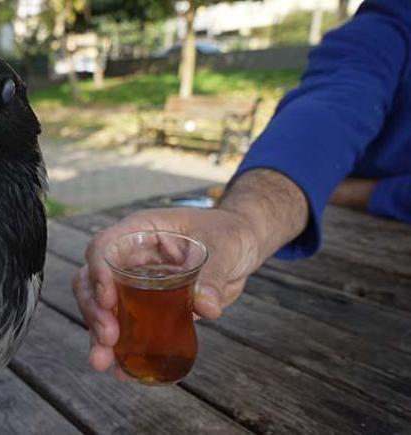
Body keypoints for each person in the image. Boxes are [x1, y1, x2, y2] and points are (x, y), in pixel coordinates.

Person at [72, 0, 411, 377]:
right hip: (345, 271)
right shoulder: (396, 16)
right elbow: (336, 99)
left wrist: (342, 190)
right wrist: (243, 221)